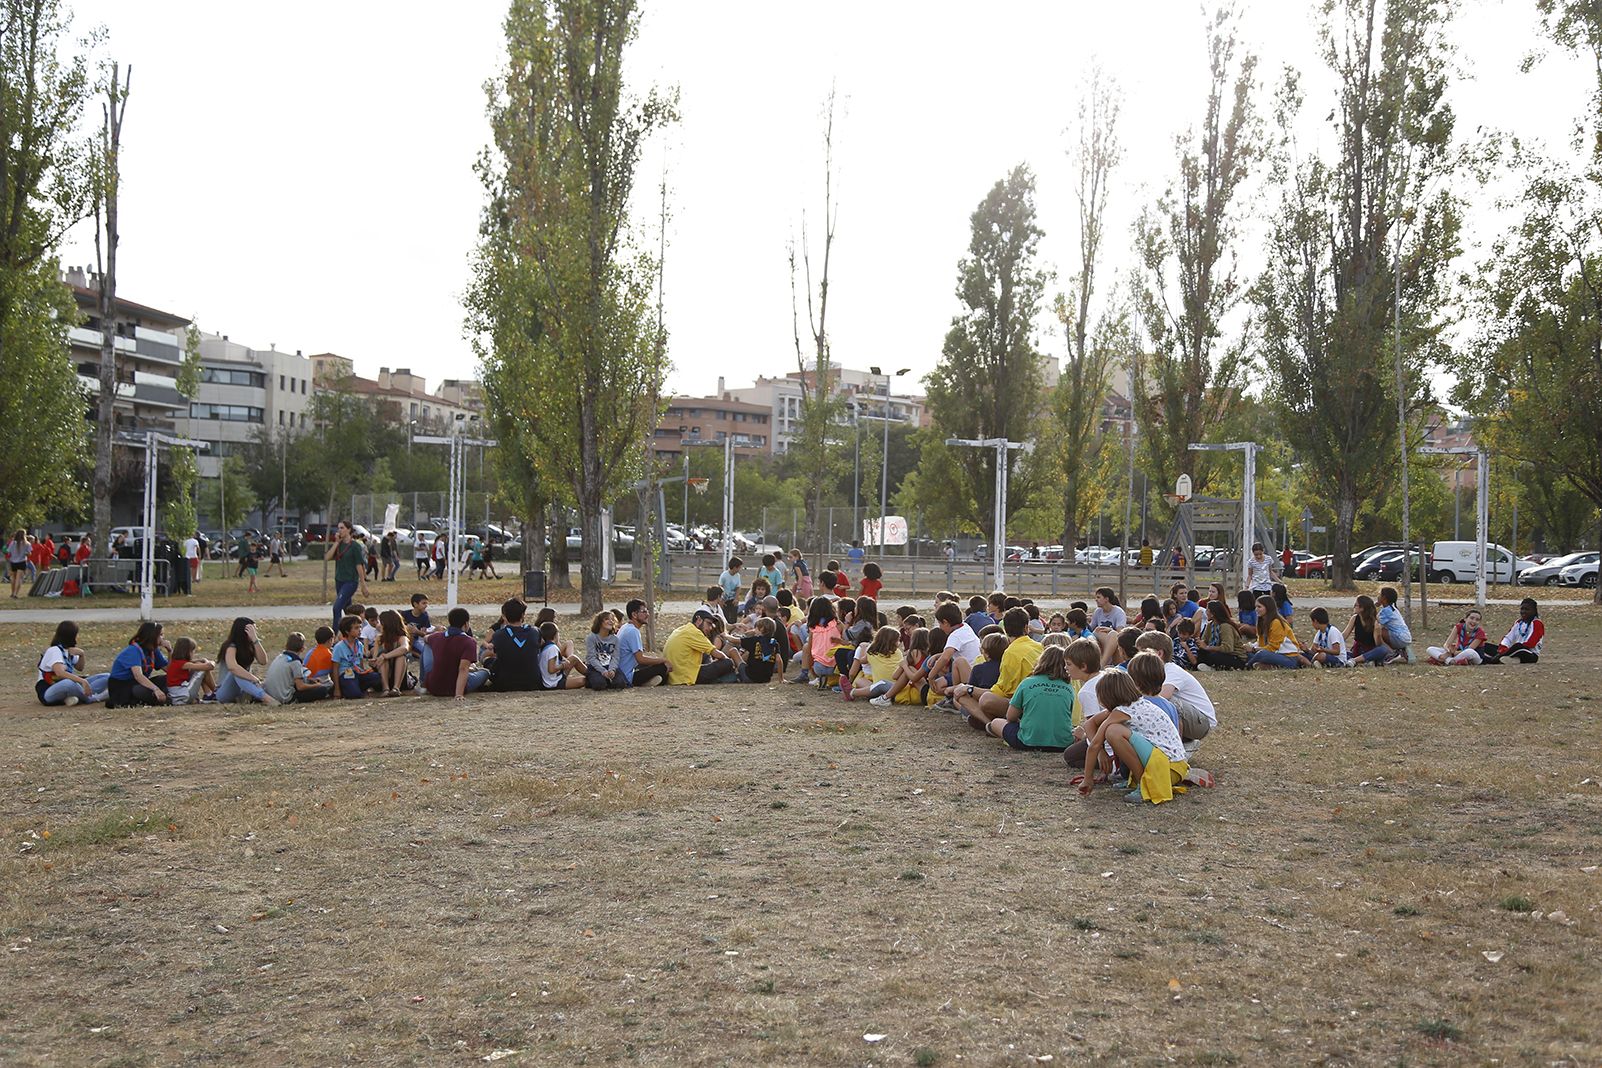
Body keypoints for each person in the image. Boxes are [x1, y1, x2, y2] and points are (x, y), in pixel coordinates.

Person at [1077, 670, 1189, 804]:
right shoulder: (1135, 705)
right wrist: (1102, 752)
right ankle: (1138, 781)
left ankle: (1144, 786)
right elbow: (1089, 723)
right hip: (1175, 766)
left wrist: (1087, 779)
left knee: (1113, 731)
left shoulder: (1123, 711)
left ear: (1106, 696)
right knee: (1114, 730)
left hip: (1167, 768)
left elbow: (1094, 744)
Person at [951, 607, 1044, 730]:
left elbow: (1002, 691)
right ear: (1026, 627)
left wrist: (969, 689)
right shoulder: (1039, 647)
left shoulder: (1011, 652)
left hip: (1024, 707)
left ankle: (991, 725)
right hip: (1042, 703)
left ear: (1005, 629)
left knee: (979, 698)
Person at [981, 644, 1075, 751]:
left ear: (1041, 661)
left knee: (996, 722)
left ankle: (993, 729)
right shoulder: (1068, 688)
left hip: (1028, 741)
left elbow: (1010, 716)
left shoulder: (1027, 683)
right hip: (1062, 744)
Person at [1134, 630, 1217, 751]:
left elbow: (1162, 695)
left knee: (1164, 701)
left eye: (1140, 652)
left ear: (1159, 653)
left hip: (1201, 723)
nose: (1136, 657)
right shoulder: (1156, 671)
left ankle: (1177, 749)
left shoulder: (1171, 670)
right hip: (1191, 718)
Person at [36, 621, 109, 705]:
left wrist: (81, 654)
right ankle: (92, 698)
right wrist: (83, 681)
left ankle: (74, 697)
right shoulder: (54, 650)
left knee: (106, 676)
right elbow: (59, 673)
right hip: (49, 689)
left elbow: (80, 668)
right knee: (69, 683)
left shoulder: (68, 650)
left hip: (72, 685)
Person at [426, 607, 489, 697]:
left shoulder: (436, 637)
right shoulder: (469, 642)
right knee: (485, 672)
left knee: (427, 645)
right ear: (466, 624)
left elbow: (426, 639)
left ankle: (423, 683)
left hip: (433, 686)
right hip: (453, 686)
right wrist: (459, 694)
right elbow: (463, 669)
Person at [664, 608, 736, 684]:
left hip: (674, 675)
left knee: (706, 655)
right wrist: (729, 661)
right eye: (708, 624)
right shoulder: (695, 633)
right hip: (686, 676)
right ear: (699, 620)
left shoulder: (683, 629)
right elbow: (720, 655)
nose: (710, 628)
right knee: (727, 663)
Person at [107, 622, 170, 707]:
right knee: (142, 691)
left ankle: (167, 697)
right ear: (152, 636)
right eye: (160, 635)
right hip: (123, 686)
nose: (163, 638)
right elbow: (138, 676)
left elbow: (169, 670)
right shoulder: (133, 650)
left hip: (139, 683)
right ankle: (164, 698)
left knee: (168, 679)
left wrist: (170, 651)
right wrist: (156, 689)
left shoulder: (153, 650)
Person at [214, 617, 276, 704]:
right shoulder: (230, 646)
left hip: (243, 687)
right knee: (237, 672)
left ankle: (249, 696)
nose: (255, 632)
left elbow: (263, 661)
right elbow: (233, 668)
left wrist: (255, 640)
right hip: (224, 692)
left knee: (246, 676)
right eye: (252, 630)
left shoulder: (250, 645)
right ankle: (265, 697)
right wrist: (253, 678)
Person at [486, 598, 542, 691]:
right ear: (523, 615)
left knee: (488, 661)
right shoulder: (534, 631)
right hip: (532, 681)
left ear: (504, 616)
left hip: (505, 682)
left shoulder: (498, 635)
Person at [264, 633, 333, 704]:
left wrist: (309, 680)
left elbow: (291, 678)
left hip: (271, 695)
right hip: (285, 697)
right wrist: (316, 685)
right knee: (322, 690)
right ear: (302, 649)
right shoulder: (295, 662)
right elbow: (300, 686)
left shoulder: (280, 657)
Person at [616, 598, 670, 687]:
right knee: (662, 667)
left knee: (654, 663)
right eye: (644, 612)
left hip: (624, 671)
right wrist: (663, 660)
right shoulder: (633, 631)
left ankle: (650, 681)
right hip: (627, 676)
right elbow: (640, 659)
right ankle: (645, 682)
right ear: (634, 614)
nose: (647, 614)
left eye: (647, 611)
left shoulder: (626, 627)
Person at [1246, 594, 1308, 668]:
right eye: (1256, 607)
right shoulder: (1261, 622)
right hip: (1274, 654)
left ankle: (1247, 666)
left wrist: (1253, 649)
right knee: (1248, 653)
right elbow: (1261, 644)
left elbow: (1274, 647)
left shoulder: (1276, 622)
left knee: (1261, 654)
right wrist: (1249, 646)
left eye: (1259, 607)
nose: (1256, 609)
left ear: (1268, 607)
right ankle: (1269, 666)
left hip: (1288, 656)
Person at [325, 520, 369, 627]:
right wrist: (336, 542)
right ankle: (361, 628)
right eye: (338, 528)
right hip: (339, 580)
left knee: (337, 608)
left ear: (349, 530)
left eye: (342, 528)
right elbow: (327, 557)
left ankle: (335, 635)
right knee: (348, 611)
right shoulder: (338, 545)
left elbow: (359, 565)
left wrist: (363, 584)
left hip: (350, 581)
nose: (339, 530)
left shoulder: (355, 546)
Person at [849, 626, 903, 701]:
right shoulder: (898, 652)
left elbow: (861, 660)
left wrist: (864, 647)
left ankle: (859, 693)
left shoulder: (872, 653)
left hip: (880, 685)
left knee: (859, 681)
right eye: (898, 640)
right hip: (897, 686)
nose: (899, 643)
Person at [1195, 600, 1247, 670]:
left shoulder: (1225, 626)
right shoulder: (1210, 625)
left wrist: (1208, 647)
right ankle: (1207, 666)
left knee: (1214, 656)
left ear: (1213, 613)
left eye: (1207, 610)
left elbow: (1228, 648)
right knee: (1200, 652)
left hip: (1234, 656)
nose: (1206, 613)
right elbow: (1205, 641)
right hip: (1216, 652)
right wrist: (1200, 643)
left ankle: (1212, 667)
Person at [166, 637, 218, 704]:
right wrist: (210, 662)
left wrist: (201, 661)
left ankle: (208, 694)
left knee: (199, 666)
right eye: (193, 651)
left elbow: (193, 662)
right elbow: (209, 666)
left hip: (177, 695)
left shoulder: (176, 662)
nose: (193, 653)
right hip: (183, 694)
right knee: (202, 669)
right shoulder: (183, 664)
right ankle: (216, 691)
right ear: (187, 652)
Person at [537, 621, 587, 690]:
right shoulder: (552, 648)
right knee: (583, 680)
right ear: (555, 635)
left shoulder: (544, 647)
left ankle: (590, 673)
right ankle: (591, 675)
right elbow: (551, 669)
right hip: (553, 682)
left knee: (573, 658)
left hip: (551, 678)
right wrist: (563, 665)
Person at [372, 610, 413, 694]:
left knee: (401, 656)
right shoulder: (379, 639)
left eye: (381, 622)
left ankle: (396, 688)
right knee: (382, 656)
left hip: (399, 678)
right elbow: (375, 659)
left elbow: (404, 648)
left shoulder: (401, 638)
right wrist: (373, 661)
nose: (378, 625)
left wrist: (386, 656)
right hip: (382, 675)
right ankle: (385, 688)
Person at [584, 610, 627, 690]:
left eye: (612, 619)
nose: (610, 621)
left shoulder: (615, 639)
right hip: (595, 667)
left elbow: (615, 657)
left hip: (609, 665)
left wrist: (612, 670)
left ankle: (608, 680)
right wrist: (603, 671)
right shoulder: (591, 638)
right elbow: (591, 658)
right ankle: (594, 680)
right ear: (600, 622)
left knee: (621, 684)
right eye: (607, 619)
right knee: (599, 685)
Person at [1494, 598, 1545, 664]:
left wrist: (1507, 651)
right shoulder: (1518, 622)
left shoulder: (1537, 623)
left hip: (1528, 653)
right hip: (1514, 651)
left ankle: (1498, 658)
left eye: (1527, 609)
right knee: (1487, 646)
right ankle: (1508, 659)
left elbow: (1531, 643)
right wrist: (1503, 648)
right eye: (1522, 609)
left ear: (1534, 611)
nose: (1523, 611)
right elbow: (1508, 638)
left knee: (1518, 646)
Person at [1345, 595, 1390, 666]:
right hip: (1358, 650)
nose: (1354, 607)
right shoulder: (1355, 618)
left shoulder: (1374, 622)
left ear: (1362, 608)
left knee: (1383, 650)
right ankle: (1365, 661)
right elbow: (1345, 634)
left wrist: (1378, 635)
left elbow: (1378, 644)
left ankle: (1355, 660)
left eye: (1356, 605)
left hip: (1370, 651)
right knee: (1343, 652)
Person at [739, 617, 784, 684]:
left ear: (761, 629)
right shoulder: (774, 642)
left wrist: (725, 635)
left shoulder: (754, 640)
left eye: (756, 628)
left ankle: (737, 672)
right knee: (749, 652)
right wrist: (781, 679)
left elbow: (734, 640)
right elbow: (779, 660)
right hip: (765, 679)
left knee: (733, 651)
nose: (754, 630)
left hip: (749, 677)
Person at [1375, 587, 1414, 664]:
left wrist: (1372, 607)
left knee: (1377, 631)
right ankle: (1400, 652)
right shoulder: (1392, 608)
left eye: (1379, 595)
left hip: (1400, 638)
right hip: (1405, 638)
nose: (1377, 596)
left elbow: (1375, 622)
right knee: (1381, 630)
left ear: (1384, 598)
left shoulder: (1387, 611)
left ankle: (1392, 653)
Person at [717, 556, 744, 623]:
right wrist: (720, 600)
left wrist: (736, 598)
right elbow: (720, 587)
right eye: (739, 567)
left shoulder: (737, 576)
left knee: (733, 617)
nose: (740, 569)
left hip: (732, 599)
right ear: (735, 567)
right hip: (724, 599)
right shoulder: (724, 575)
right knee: (725, 617)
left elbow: (738, 587)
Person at [7, 529, 29, 598]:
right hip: (22, 562)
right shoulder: (26, 543)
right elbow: (29, 553)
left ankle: (12, 592)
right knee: (19, 578)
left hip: (13, 562)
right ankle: (15, 594)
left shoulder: (13, 543)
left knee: (13, 578)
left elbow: (8, 552)